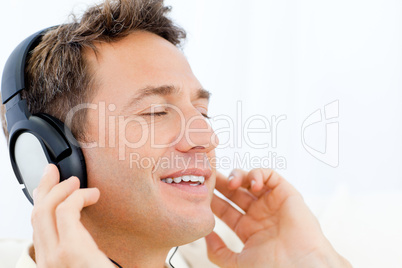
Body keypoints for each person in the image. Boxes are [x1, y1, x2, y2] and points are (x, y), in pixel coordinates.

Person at [0, 0, 352, 267]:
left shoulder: (241, 252)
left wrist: (313, 260)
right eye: (155, 112)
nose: (207, 137)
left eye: (202, 112)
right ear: (50, 153)